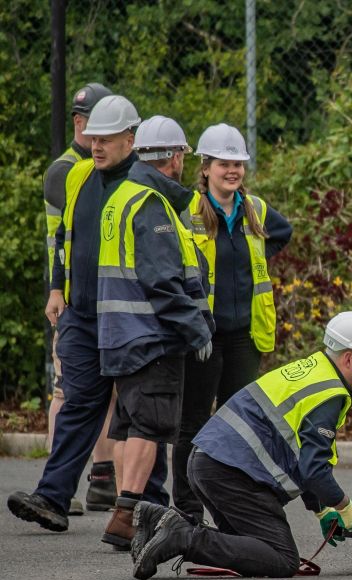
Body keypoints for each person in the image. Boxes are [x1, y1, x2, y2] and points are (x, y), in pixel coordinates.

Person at [8, 95, 173, 535]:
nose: (96, 146)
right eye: (93, 138)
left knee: (140, 413)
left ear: (130, 140)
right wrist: (57, 286)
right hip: (81, 314)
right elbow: (65, 235)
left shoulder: (143, 184)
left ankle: (148, 507)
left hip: (130, 318)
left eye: (107, 139)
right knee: (79, 404)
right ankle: (52, 497)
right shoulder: (79, 176)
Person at [129, 311, 352, 580]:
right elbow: (314, 469)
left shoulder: (312, 370)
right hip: (231, 473)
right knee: (281, 558)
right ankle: (181, 536)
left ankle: (156, 520)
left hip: (207, 462)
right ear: (348, 358)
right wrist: (344, 506)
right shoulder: (329, 394)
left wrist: (322, 509)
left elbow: (302, 456)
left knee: (250, 548)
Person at [93, 111, 214, 550]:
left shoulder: (121, 195)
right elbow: (162, 280)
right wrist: (195, 328)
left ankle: (124, 516)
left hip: (119, 333)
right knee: (150, 425)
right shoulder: (151, 203)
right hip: (150, 336)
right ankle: (126, 516)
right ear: (176, 157)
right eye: (183, 153)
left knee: (127, 426)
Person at [173, 123, 292, 522]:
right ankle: (188, 509)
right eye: (224, 163)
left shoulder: (254, 209)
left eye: (238, 163)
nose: (233, 171)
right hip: (204, 335)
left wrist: (253, 260)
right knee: (193, 423)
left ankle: (227, 506)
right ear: (205, 167)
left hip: (244, 336)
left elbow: (283, 233)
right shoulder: (187, 209)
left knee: (236, 424)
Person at [41, 82, 118, 515]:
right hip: (69, 300)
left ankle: (102, 479)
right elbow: (68, 237)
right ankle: (61, 489)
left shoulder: (100, 167)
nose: (102, 136)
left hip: (94, 297)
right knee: (66, 392)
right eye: (96, 127)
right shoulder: (67, 170)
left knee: (100, 394)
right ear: (78, 123)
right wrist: (57, 291)